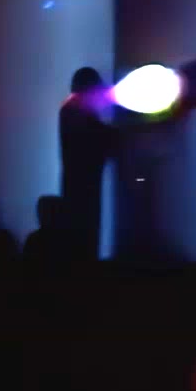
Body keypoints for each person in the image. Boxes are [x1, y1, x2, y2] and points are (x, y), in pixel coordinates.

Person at [58, 66, 115, 264]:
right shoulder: (75, 111)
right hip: (84, 187)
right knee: (84, 238)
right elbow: (98, 139)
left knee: (81, 239)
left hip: (77, 186)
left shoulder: (70, 109)